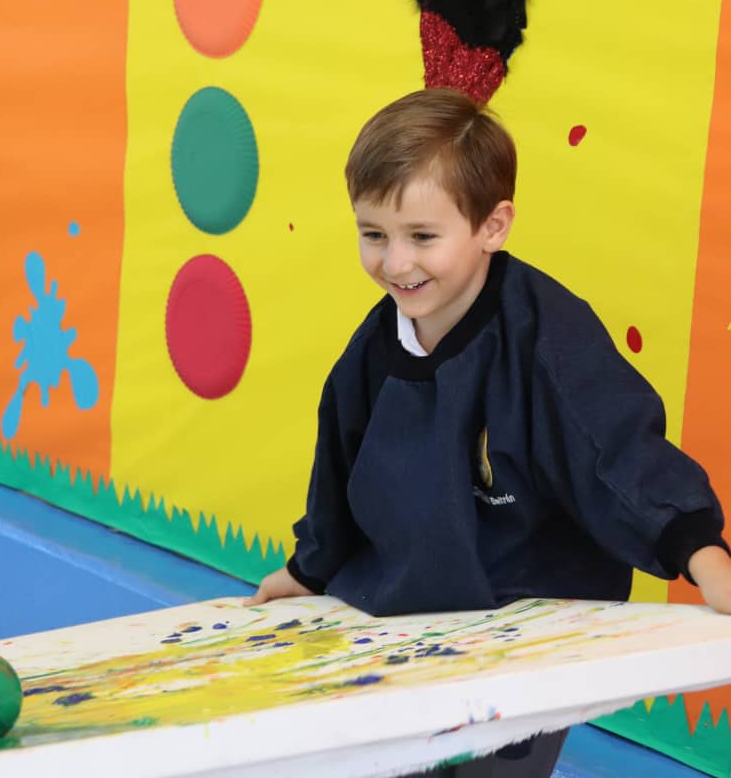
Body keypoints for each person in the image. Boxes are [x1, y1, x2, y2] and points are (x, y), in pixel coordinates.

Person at [244, 88, 731, 777]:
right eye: (373, 234)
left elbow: (615, 446)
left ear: (492, 226)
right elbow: (340, 470)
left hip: (531, 616)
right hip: (413, 616)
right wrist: (308, 567)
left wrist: (700, 554)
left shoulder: (546, 336)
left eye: (422, 236)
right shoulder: (367, 358)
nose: (395, 263)